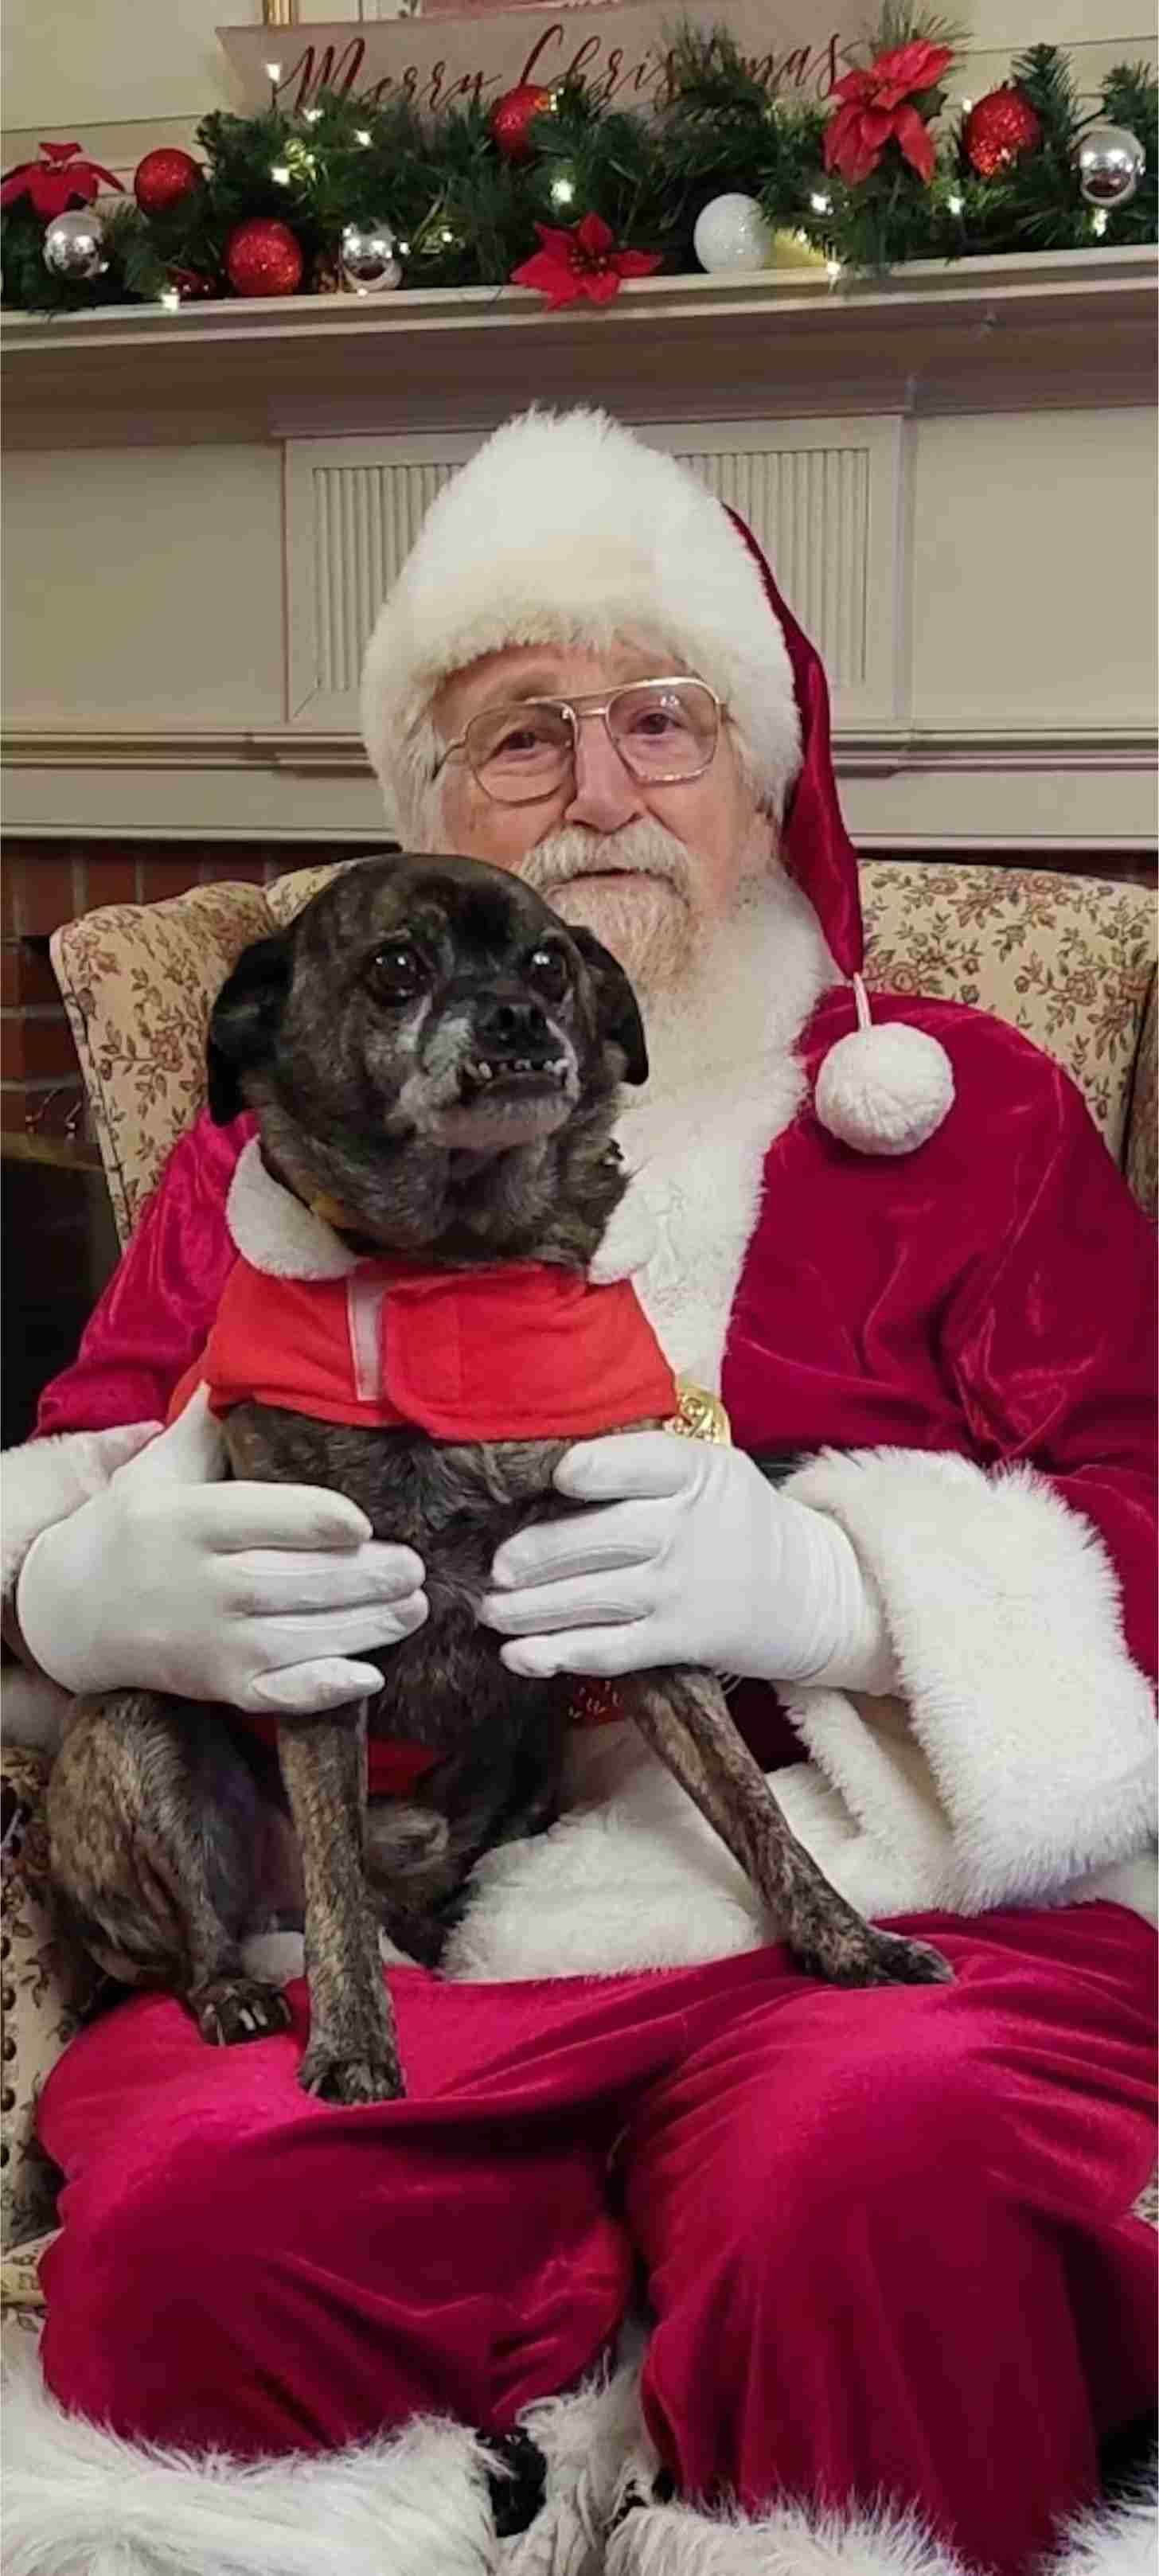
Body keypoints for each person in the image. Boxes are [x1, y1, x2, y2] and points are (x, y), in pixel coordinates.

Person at [2, 408, 1155, 2576]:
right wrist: (78, 1590)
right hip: (413, 1918)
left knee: (885, 2165)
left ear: (762, 775)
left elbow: (1142, 1482)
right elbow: (88, 1441)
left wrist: (845, 1590)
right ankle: (524, 2463)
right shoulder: (261, 1177)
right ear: (428, 814)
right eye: (525, 738)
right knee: (184, 2235)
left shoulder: (964, 1113)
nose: (605, 786)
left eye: (660, 720)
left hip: (862, 1877)